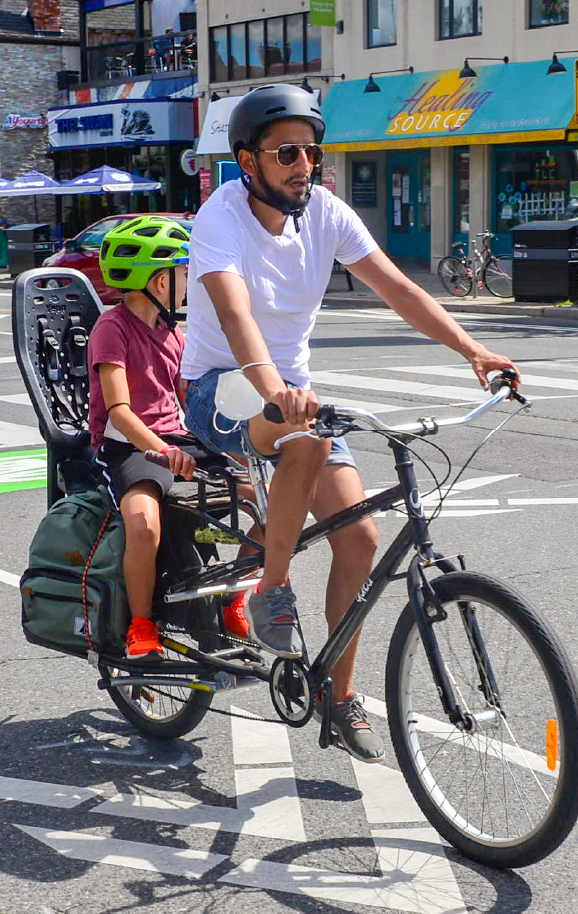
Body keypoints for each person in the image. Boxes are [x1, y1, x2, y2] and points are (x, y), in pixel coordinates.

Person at [181, 84, 519, 763]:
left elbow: (398, 288)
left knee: (361, 539)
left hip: (290, 394)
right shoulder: (219, 219)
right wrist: (275, 390)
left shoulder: (326, 214)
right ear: (248, 161)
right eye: (286, 154)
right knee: (303, 436)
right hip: (224, 387)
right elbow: (237, 314)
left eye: (311, 151)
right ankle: (272, 590)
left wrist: (473, 352)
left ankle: (339, 696)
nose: (304, 163)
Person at [89, 215, 251, 659]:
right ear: (160, 282)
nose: (188, 284)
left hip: (175, 437)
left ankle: (234, 596)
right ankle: (141, 625)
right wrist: (160, 451)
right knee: (144, 522)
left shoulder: (173, 334)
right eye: (183, 274)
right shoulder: (112, 328)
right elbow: (119, 412)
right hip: (128, 446)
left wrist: (238, 433)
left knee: (266, 496)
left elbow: (189, 397)